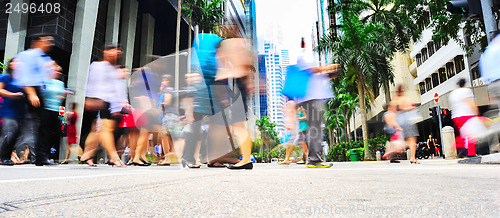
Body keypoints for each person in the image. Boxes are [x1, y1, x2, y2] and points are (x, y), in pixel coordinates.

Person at [79, 43, 128, 167]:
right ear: (105, 52)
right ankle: (114, 157)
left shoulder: (114, 68)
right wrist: (89, 98)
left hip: (109, 102)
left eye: (117, 51)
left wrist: (120, 103)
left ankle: (86, 155)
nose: (115, 53)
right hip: (98, 100)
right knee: (105, 130)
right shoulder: (97, 66)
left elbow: (116, 88)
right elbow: (92, 82)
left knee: (97, 131)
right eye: (112, 50)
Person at [295, 38, 340, 168]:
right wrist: (329, 67)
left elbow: (314, 74)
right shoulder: (302, 56)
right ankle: (314, 159)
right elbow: (313, 70)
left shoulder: (304, 57)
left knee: (315, 128)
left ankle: (313, 158)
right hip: (311, 99)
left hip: (312, 98)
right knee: (315, 129)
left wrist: (330, 74)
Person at [13, 33, 57, 166]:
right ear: (37, 41)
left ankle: (40, 158)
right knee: (24, 126)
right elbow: (26, 76)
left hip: (38, 92)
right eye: (47, 41)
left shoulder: (43, 58)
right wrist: (31, 93)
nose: (50, 44)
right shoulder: (28, 55)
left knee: (43, 127)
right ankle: (9, 153)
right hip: (29, 91)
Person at [0, 58, 26, 166]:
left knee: (15, 134)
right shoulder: (6, 77)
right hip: (8, 110)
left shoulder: (21, 79)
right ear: (11, 64)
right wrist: (13, 95)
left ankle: (5, 156)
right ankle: (3, 157)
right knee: (10, 132)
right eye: (16, 62)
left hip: (19, 111)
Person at [449, 78, 483, 157]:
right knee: (472, 133)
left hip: (456, 116)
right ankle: (470, 152)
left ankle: (461, 148)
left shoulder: (453, 93)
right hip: (467, 115)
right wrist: (476, 110)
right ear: (464, 84)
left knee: (464, 134)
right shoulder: (466, 91)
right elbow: (469, 101)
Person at [386, 84, 420, 164]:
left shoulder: (395, 100)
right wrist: (410, 107)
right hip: (408, 119)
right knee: (412, 140)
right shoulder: (405, 99)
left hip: (399, 120)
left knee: (401, 138)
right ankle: (412, 157)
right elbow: (411, 106)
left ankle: (391, 149)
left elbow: (390, 112)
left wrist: (394, 123)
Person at [279, 101, 299, 165]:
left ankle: (287, 159)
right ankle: (286, 159)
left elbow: (293, 118)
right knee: (288, 145)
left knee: (290, 145)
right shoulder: (289, 110)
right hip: (290, 129)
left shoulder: (292, 109)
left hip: (292, 128)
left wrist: (291, 125)